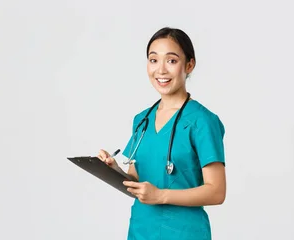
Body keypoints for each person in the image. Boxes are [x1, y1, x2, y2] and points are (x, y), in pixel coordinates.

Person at [97, 27, 227, 240]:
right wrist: (113, 169)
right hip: (141, 230)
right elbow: (137, 180)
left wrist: (161, 196)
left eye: (172, 61)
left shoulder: (202, 121)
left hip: (184, 232)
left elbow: (216, 191)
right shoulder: (142, 120)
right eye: (153, 60)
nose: (161, 70)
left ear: (189, 65)